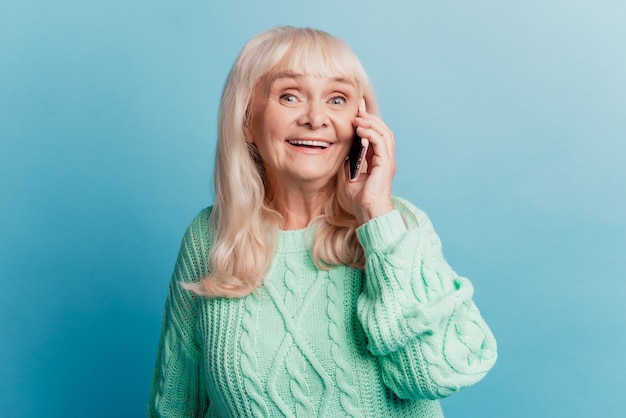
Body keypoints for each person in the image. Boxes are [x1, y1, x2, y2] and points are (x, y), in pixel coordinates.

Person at [147, 26, 497, 417]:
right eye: (289, 95)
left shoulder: (398, 227)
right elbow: (177, 401)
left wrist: (375, 217)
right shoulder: (210, 236)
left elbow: (438, 374)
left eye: (337, 99)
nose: (315, 118)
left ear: (361, 124)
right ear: (247, 120)